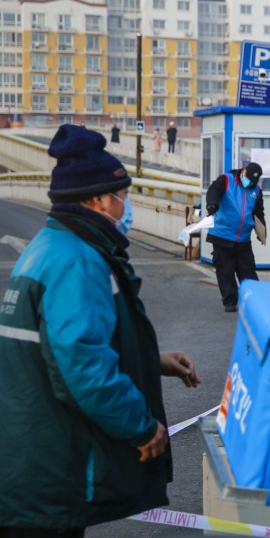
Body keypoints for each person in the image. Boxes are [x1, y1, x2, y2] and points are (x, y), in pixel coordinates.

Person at [0, 125, 201, 536]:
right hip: (50, 466)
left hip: (31, 455)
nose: (126, 205)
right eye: (122, 196)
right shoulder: (77, 262)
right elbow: (83, 365)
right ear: (96, 200)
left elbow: (62, 345)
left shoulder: (49, 246)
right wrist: (141, 426)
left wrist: (152, 360)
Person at [205, 161, 266, 313]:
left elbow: (258, 212)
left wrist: (262, 231)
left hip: (243, 238)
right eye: (249, 179)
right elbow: (213, 191)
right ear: (243, 171)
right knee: (226, 271)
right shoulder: (226, 180)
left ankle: (253, 301)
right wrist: (212, 204)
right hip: (222, 235)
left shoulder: (256, 191)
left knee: (248, 271)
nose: (250, 183)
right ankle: (230, 301)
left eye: (254, 181)